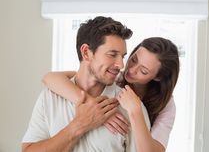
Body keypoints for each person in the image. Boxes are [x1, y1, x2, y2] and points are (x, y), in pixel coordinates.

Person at [22, 16, 150, 152]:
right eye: (112, 54)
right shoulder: (50, 97)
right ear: (86, 52)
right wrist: (80, 125)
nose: (121, 65)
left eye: (122, 56)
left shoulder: (130, 107)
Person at [42, 37, 180, 152]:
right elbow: (50, 78)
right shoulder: (113, 78)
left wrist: (135, 111)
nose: (131, 70)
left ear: (158, 77)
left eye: (143, 71)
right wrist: (94, 105)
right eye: (134, 59)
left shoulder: (166, 105)